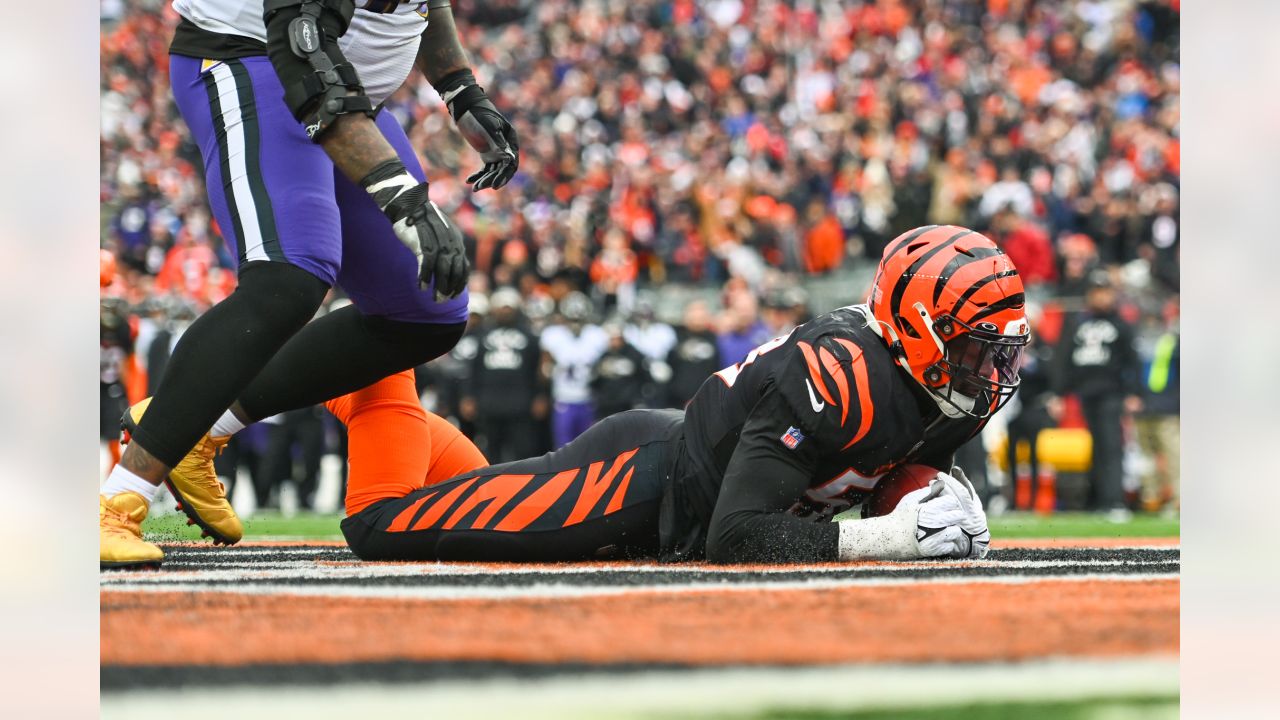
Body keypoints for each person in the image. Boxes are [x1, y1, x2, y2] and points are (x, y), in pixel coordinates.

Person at [101, 0, 520, 569]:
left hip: (344, 92)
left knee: (423, 309)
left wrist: (460, 87)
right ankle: (118, 498)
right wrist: (403, 196)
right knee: (288, 274)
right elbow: (307, 62)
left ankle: (200, 426)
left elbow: (426, 5)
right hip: (259, 61)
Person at [330, 226, 1028, 564]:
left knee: (474, 501)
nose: (985, 370)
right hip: (636, 482)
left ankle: (406, 423)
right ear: (916, 325)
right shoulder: (839, 371)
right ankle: (372, 364)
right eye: (973, 347)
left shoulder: (944, 397)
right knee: (380, 529)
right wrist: (887, 537)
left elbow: (877, 480)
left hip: (688, 484)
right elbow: (735, 536)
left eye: (997, 352)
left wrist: (937, 507)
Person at [1050, 270, 1144, 520]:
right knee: (1097, 447)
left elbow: (1132, 360)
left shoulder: (1121, 324)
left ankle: (1114, 501)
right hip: (1086, 393)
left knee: (1112, 446)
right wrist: (1059, 393)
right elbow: (1064, 358)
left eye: (1104, 292)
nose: (1100, 297)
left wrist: (1134, 392)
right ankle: (1098, 500)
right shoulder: (1077, 323)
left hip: (1111, 393)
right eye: (1096, 292)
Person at [464, 287, 545, 463]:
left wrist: (540, 396)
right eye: (502, 307)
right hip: (489, 402)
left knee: (523, 450)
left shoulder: (530, 337)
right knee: (491, 450)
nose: (505, 311)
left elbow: (537, 370)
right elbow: (474, 368)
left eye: (509, 307)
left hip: (521, 403)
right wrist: (469, 396)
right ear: (494, 309)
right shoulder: (482, 336)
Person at [540, 292, 608, 448]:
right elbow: (543, 371)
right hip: (563, 400)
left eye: (579, 318)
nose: (575, 323)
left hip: (589, 400)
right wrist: (549, 370)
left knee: (590, 448)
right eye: (572, 318)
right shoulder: (553, 335)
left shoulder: (596, 335)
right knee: (564, 448)